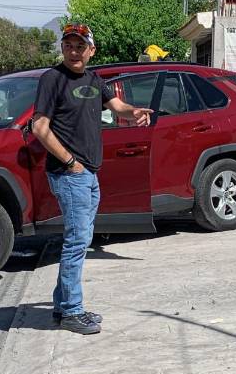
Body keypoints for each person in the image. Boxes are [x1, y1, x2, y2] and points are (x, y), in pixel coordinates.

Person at [32, 23, 153, 334]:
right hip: (70, 173)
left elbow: (117, 106)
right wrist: (70, 162)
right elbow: (39, 128)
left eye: (80, 46)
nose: (74, 51)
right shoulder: (52, 79)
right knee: (76, 242)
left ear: (91, 50)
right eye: (69, 45)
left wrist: (133, 112)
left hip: (88, 173)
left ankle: (62, 307)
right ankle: (72, 312)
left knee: (81, 239)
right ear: (62, 48)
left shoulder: (94, 80)